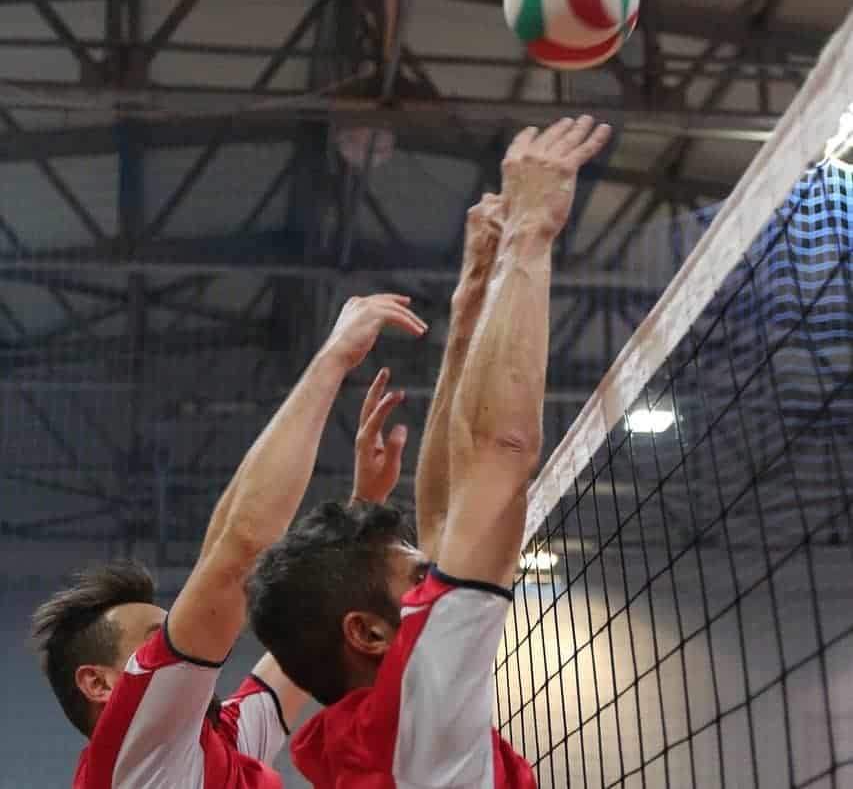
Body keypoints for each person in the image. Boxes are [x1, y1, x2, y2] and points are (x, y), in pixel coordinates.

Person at [247, 115, 612, 788]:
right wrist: (531, 231)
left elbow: (448, 518)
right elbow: (501, 450)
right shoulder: (416, 722)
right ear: (367, 634)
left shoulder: (369, 739)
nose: (434, 582)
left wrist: (473, 290)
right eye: (418, 584)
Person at [30, 293, 427, 789]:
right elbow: (238, 556)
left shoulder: (218, 747)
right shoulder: (133, 759)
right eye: (159, 640)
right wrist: (334, 358)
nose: (184, 636)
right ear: (100, 683)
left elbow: (295, 629)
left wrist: (358, 514)